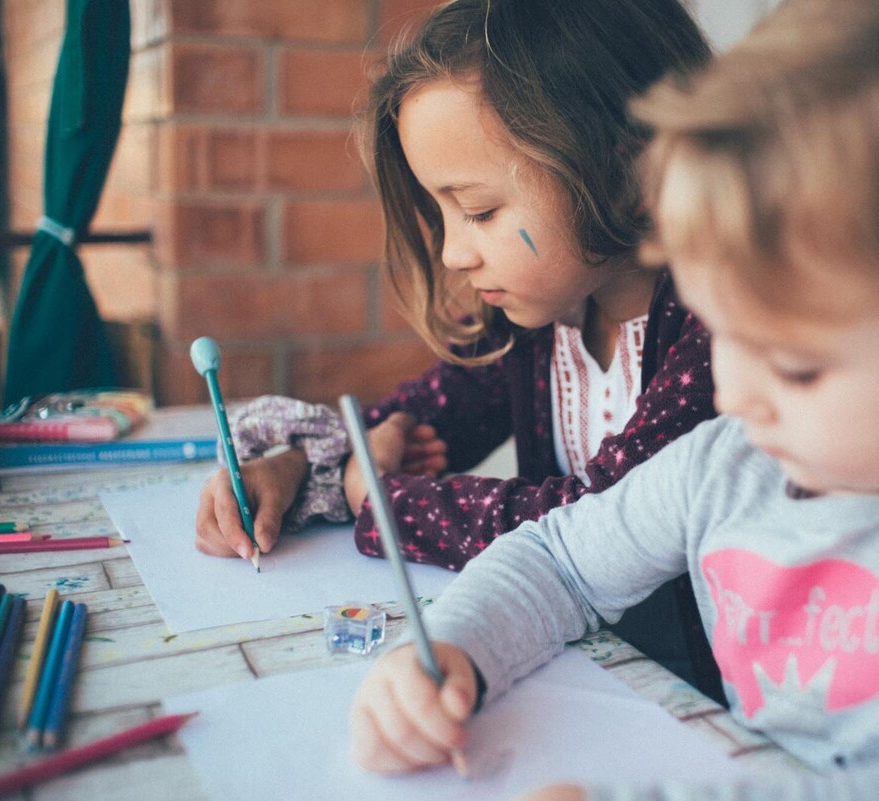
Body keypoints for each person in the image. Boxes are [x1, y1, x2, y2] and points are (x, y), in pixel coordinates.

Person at [347, 0, 879, 798]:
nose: (732, 393)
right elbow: (557, 560)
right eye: (720, 330)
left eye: (796, 366)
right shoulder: (734, 459)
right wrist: (452, 650)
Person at [194, 0, 723, 698]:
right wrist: (294, 467)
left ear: (627, 177)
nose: (451, 253)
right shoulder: (540, 322)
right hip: (580, 680)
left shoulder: (724, 337)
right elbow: (409, 422)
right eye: (442, 215)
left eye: (478, 211)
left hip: (700, 710)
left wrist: (384, 500)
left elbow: (585, 524)